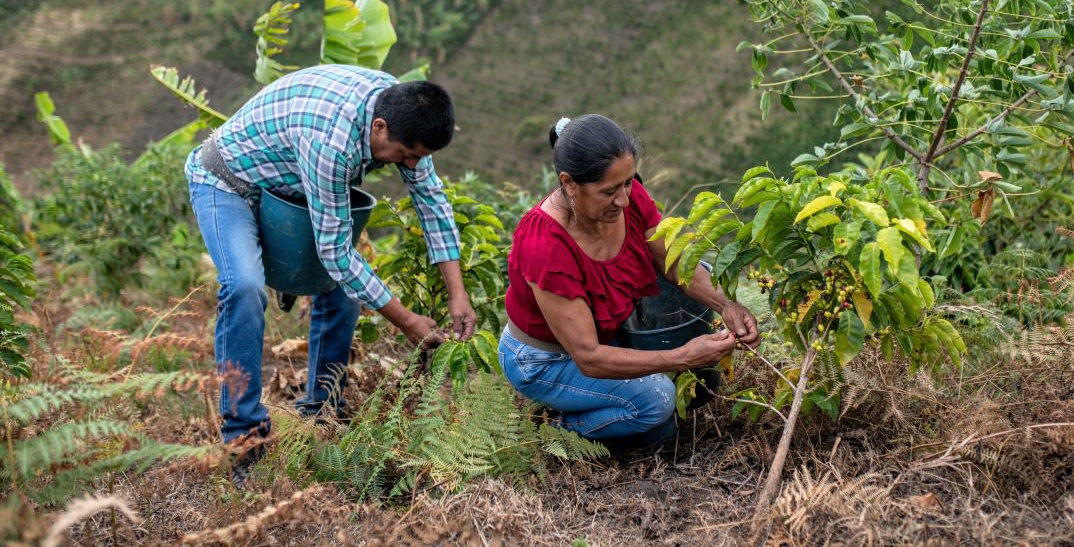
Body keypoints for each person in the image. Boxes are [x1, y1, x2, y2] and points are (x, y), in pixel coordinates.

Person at [185, 64, 477, 457]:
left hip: (287, 191)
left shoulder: (405, 111)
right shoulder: (331, 141)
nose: (409, 165)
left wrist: (458, 294)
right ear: (379, 128)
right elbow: (336, 254)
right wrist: (407, 320)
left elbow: (432, 203)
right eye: (405, 155)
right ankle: (244, 435)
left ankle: (321, 412)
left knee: (343, 289)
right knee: (244, 287)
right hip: (228, 182)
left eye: (417, 158)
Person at [499, 114, 760, 448]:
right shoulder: (546, 244)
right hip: (545, 359)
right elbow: (589, 357)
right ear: (569, 184)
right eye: (609, 191)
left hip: (601, 338)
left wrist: (727, 305)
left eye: (627, 183)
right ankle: (552, 431)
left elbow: (672, 261)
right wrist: (682, 356)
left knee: (688, 386)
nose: (624, 199)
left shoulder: (628, 196)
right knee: (658, 400)